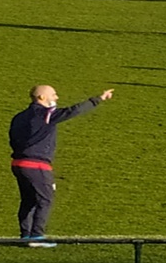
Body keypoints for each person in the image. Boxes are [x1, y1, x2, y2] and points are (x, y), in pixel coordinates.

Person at [9, 85, 115, 246]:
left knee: (28, 200)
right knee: (45, 199)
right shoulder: (46, 114)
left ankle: (25, 235)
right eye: (54, 94)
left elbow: (12, 138)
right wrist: (98, 99)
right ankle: (37, 236)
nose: (57, 97)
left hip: (18, 164)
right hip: (36, 165)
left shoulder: (18, 117)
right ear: (42, 98)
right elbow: (73, 111)